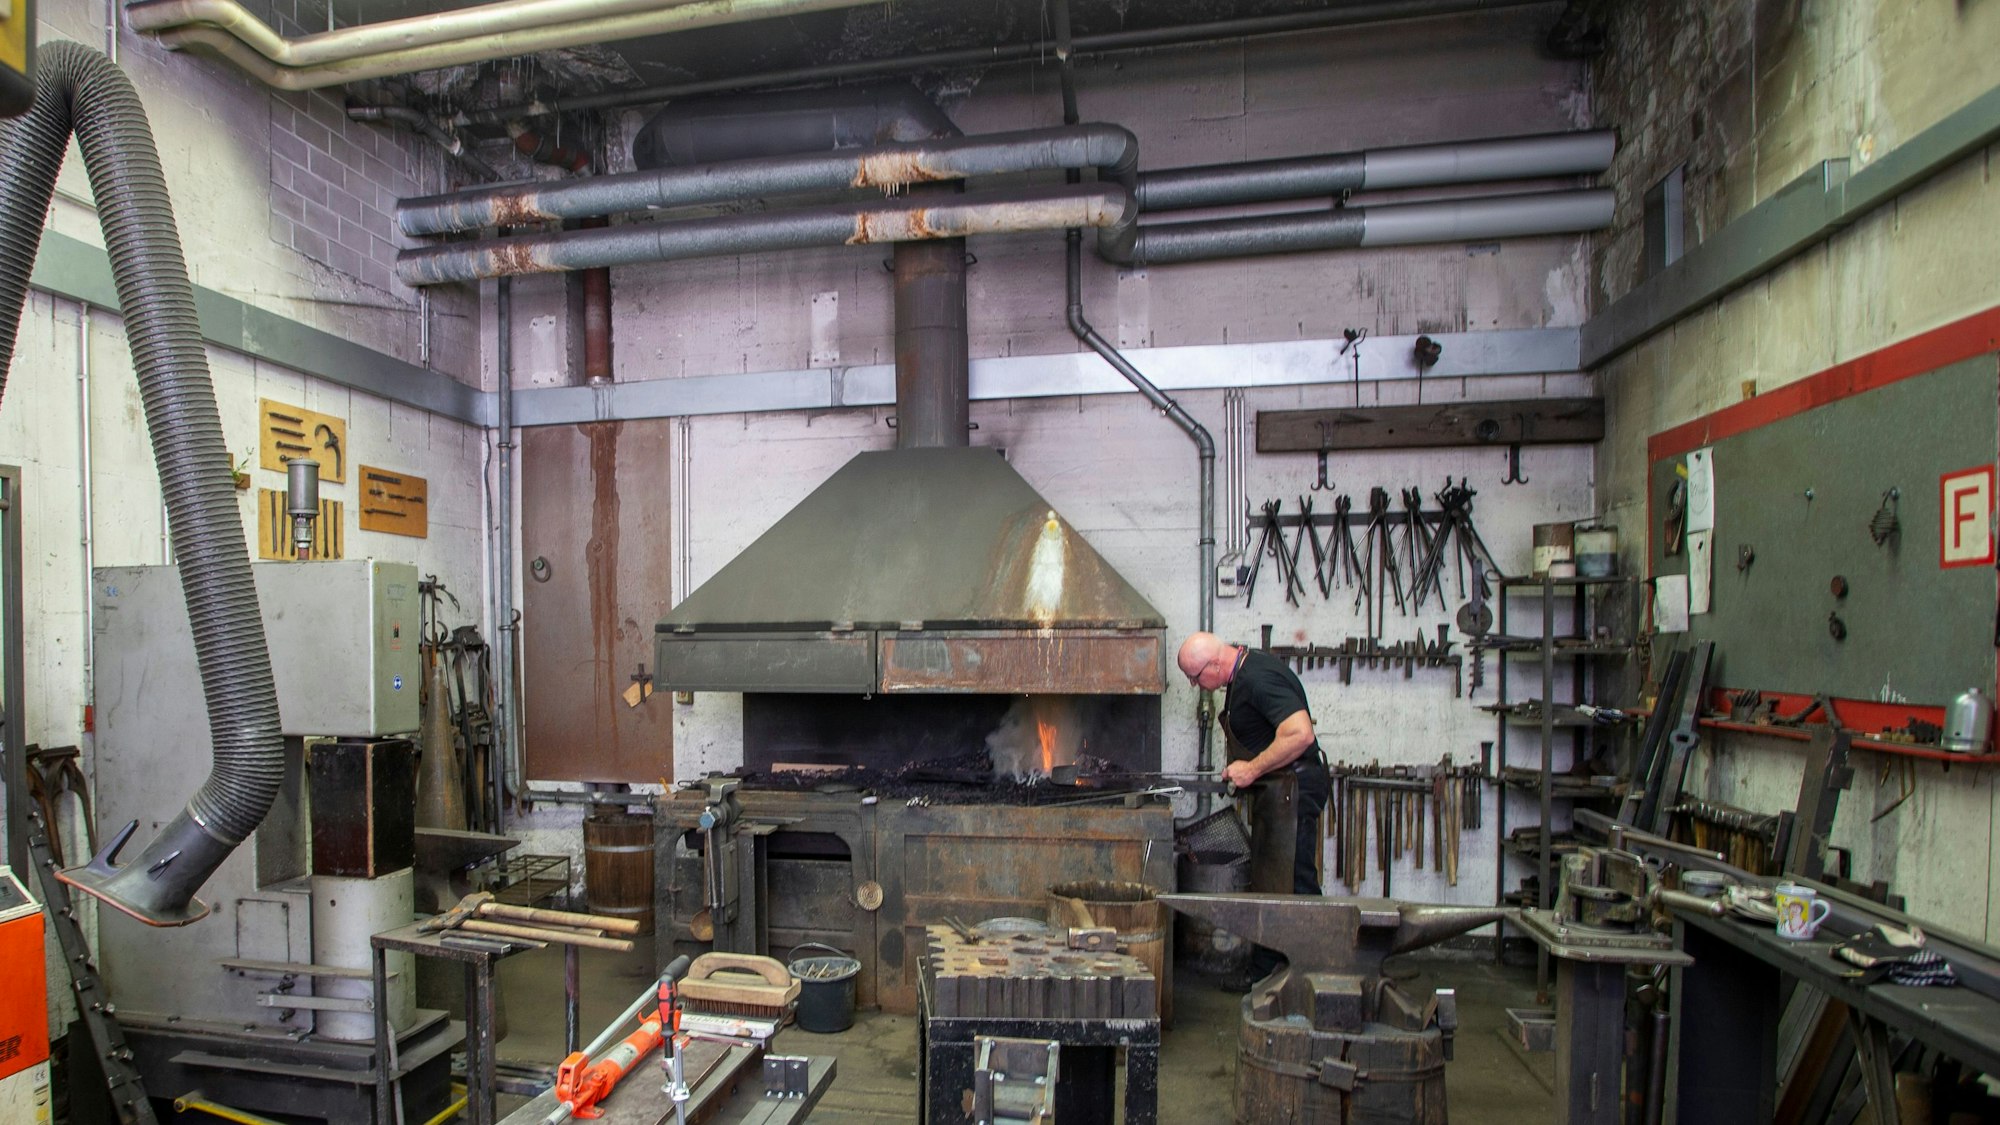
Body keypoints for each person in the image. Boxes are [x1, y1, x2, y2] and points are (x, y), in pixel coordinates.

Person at [1176, 631, 1331, 898]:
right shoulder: (1245, 672)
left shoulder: (1258, 679)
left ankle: (1309, 938)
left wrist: (1251, 769)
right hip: (1279, 793)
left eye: (1195, 677)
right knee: (1276, 882)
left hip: (1293, 793)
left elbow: (1300, 734)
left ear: (1214, 664)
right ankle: (1279, 939)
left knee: (1296, 883)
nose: (1193, 684)